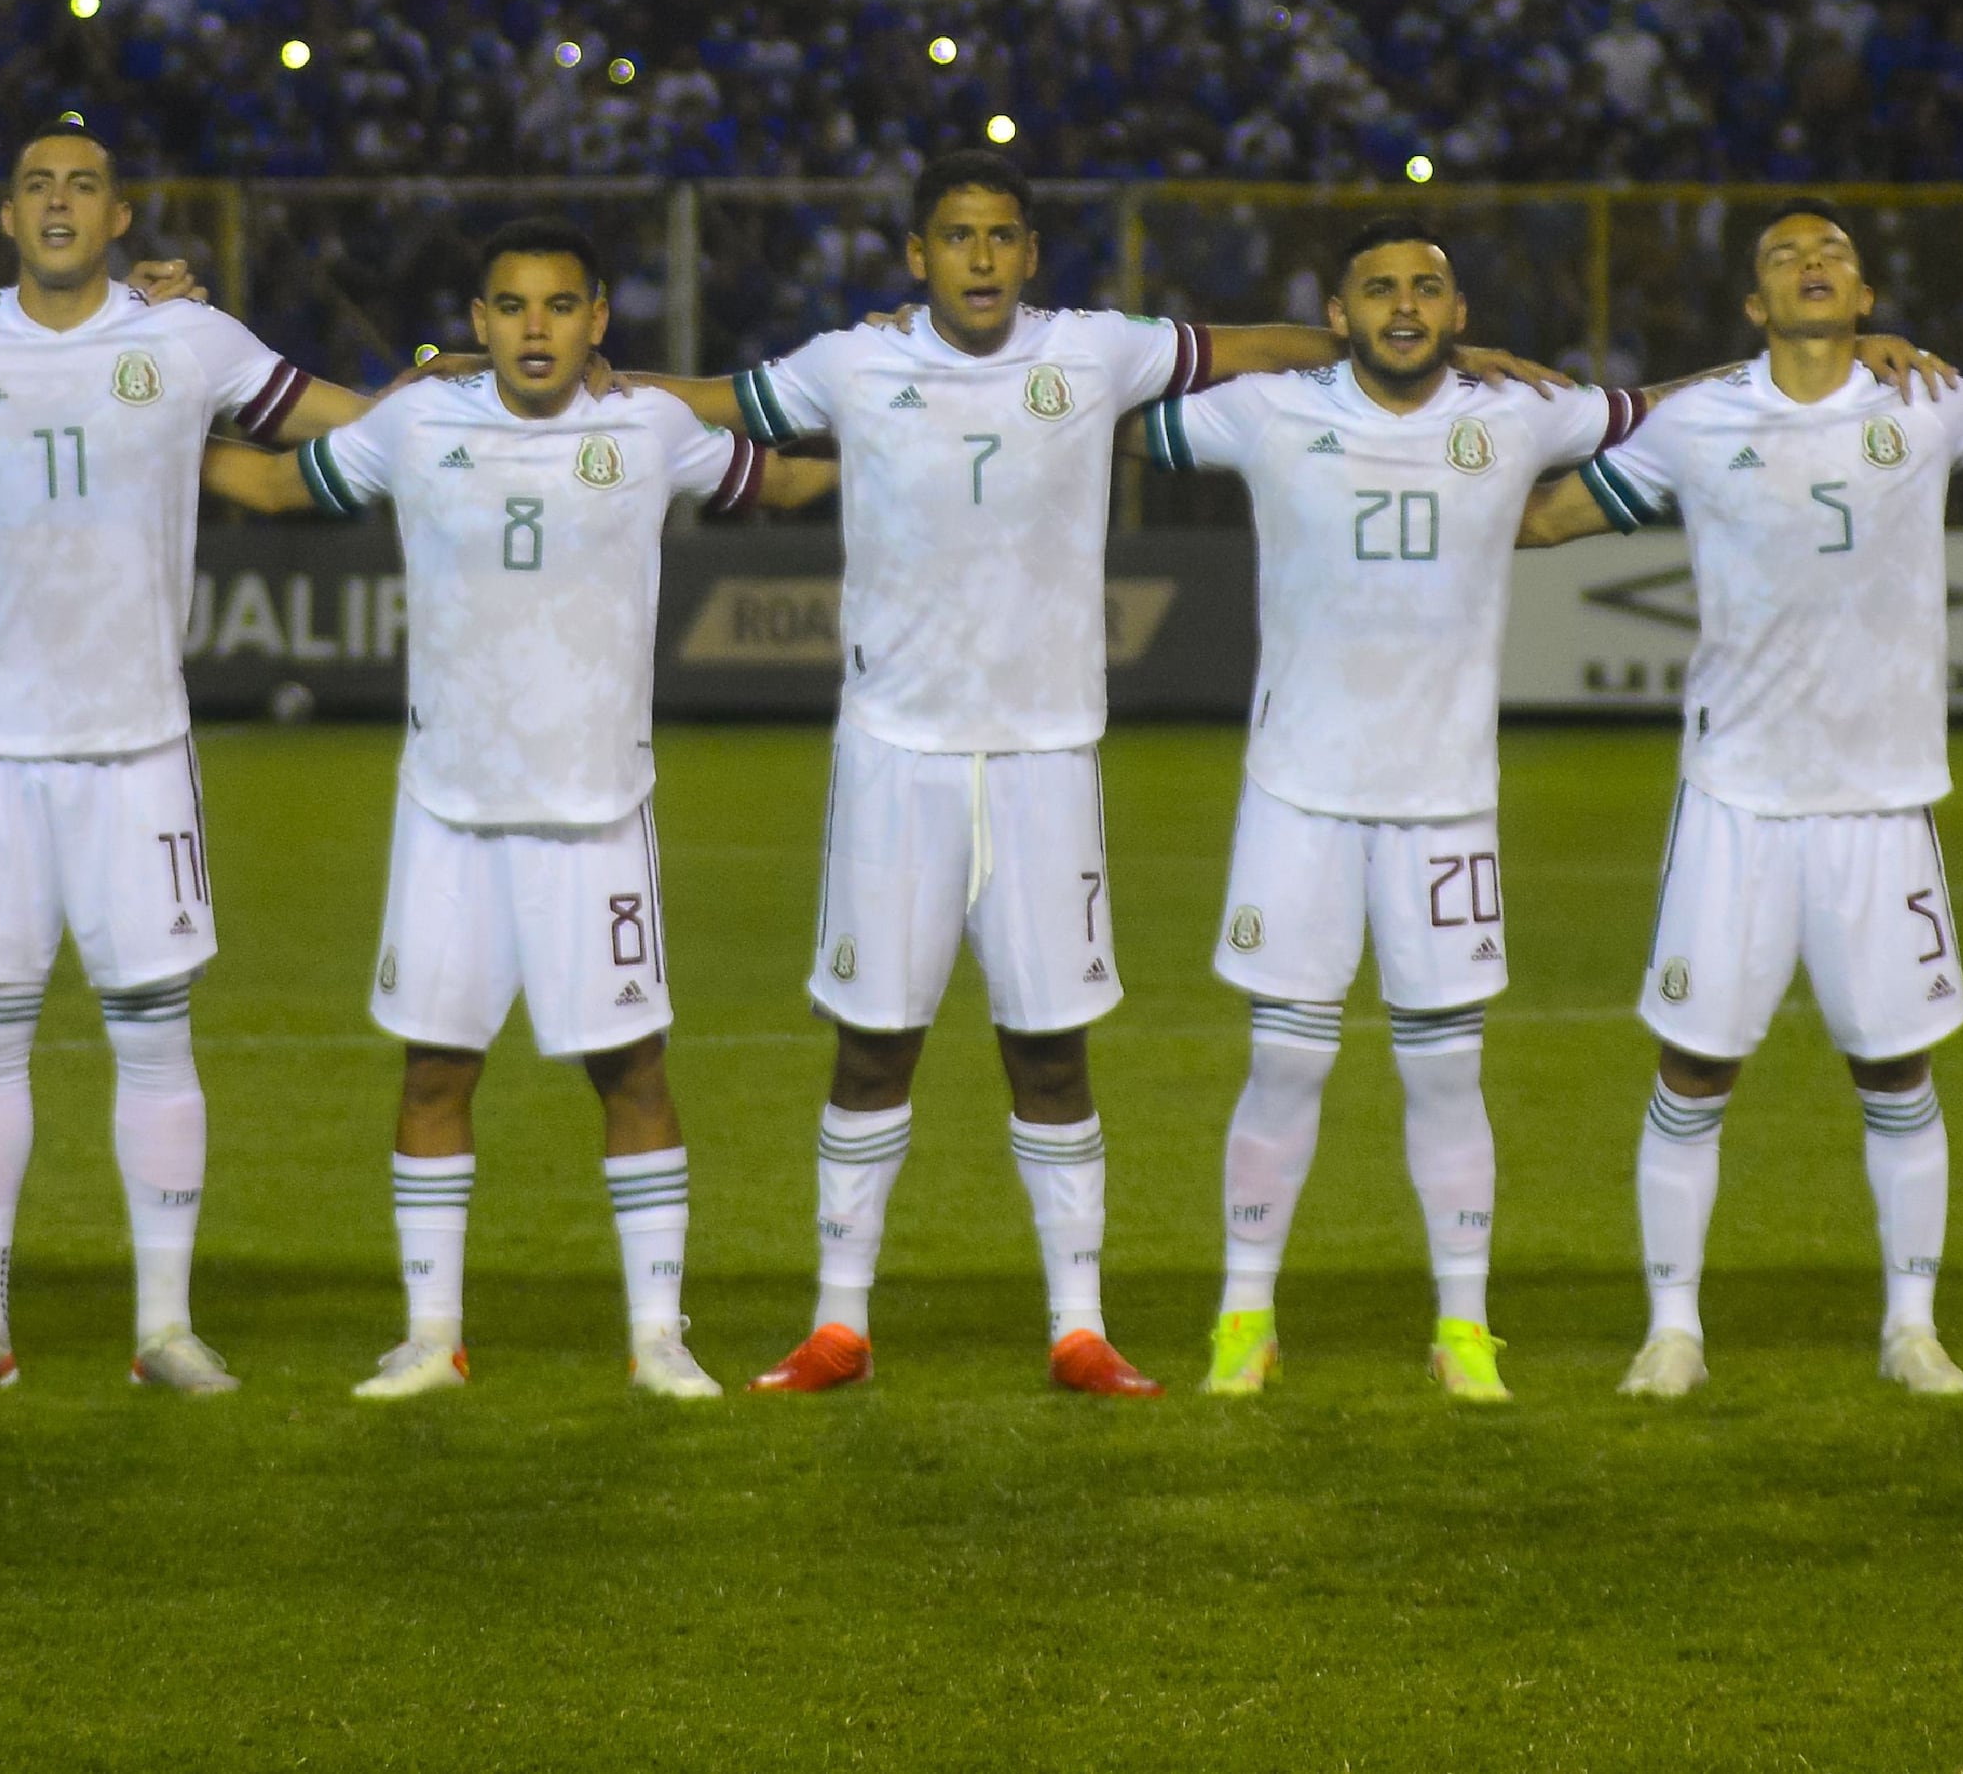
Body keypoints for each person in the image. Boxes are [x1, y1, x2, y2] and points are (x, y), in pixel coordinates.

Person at [654, 149, 1507, 1398]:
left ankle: (1079, 1323)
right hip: (895, 755)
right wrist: (586, 383)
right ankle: (838, 1320)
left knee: (1050, 1048)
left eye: (1002, 234)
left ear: (1031, 253)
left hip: (1049, 756)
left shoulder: (1095, 351)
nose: (981, 257)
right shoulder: (854, 361)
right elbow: (717, 400)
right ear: (917, 256)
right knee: (871, 1045)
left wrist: (1451, 361)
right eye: (957, 236)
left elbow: (1252, 344)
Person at [1529, 207, 1963, 1398]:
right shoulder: (1696, 421)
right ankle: (1671, 1330)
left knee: (1895, 1069)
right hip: (1735, 798)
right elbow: (1544, 514)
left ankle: (1911, 1329)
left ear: (1865, 295)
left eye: (1830, 253)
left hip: (1880, 799)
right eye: (1781, 257)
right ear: (1752, 310)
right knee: (1692, 1068)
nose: (1810, 264)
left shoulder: (1924, 401)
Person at [211, 215, 826, 1398]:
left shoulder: (646, 426)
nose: (534, 327)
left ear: (598, 318)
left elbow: (786, 474)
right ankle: (432, 1334)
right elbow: (278, 486)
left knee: (633, 1070)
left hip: (596, 813)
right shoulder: (417, 420)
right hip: (448, 810)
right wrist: (137, 430)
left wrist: (940, 420)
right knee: (434, 1073)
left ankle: (657, 1336)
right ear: (479, 322)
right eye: (511, 306)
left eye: (558, 305)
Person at [0, 111, 346, 1398]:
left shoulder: (184, 336)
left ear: (122, 219)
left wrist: (474, 384)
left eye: (85, 184)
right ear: (6, 217)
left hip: (135, 748)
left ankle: (164, 1327)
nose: (58, 199)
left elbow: (343, 421)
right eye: (34, 183)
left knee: (152, 1028)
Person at [1136, 217, 1643, 1404]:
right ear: (1339, 310)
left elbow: (1653, 411)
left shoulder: (1517, 414)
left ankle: (1461, 1325)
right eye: (1376, 288)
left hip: (1444, 804)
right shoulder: (1269, 410)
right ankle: (1242, 1314)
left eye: (1425, 287)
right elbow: (1117, 414)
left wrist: (1816, 353)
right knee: (1282, 1061)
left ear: (1460, 313)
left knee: (1443, 1073)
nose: (1402, 305)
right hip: (1297, 797)